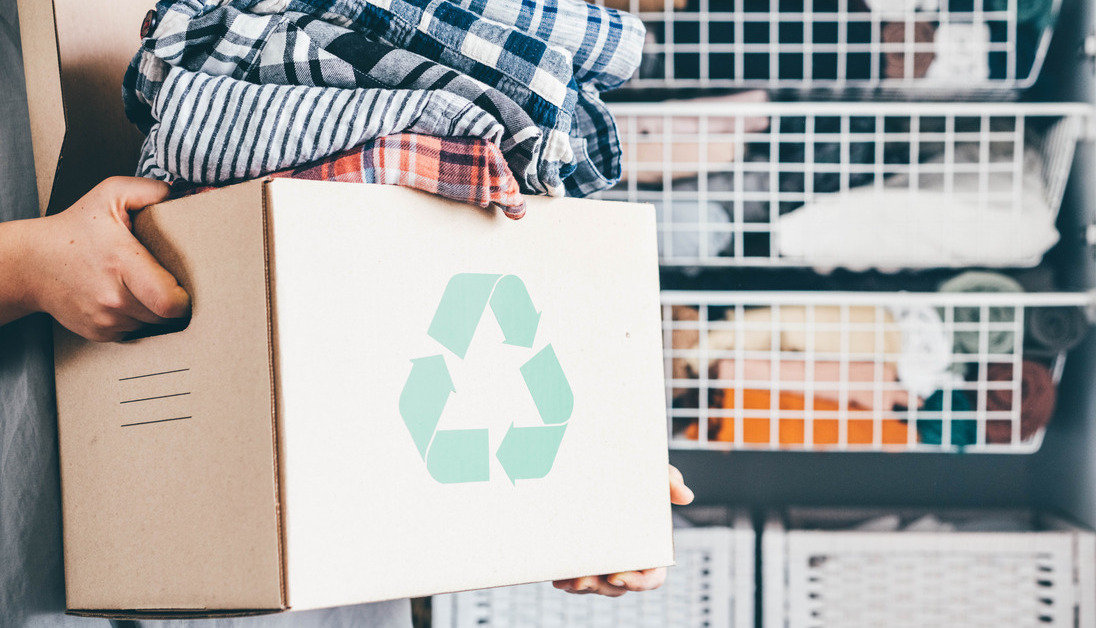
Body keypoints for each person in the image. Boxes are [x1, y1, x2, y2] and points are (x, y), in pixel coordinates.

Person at [0, 2, 691, 626]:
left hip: (291, 571)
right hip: (28, 524)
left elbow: (418, 338)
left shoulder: (408, 70)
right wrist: (29, 265)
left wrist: (576, 480)